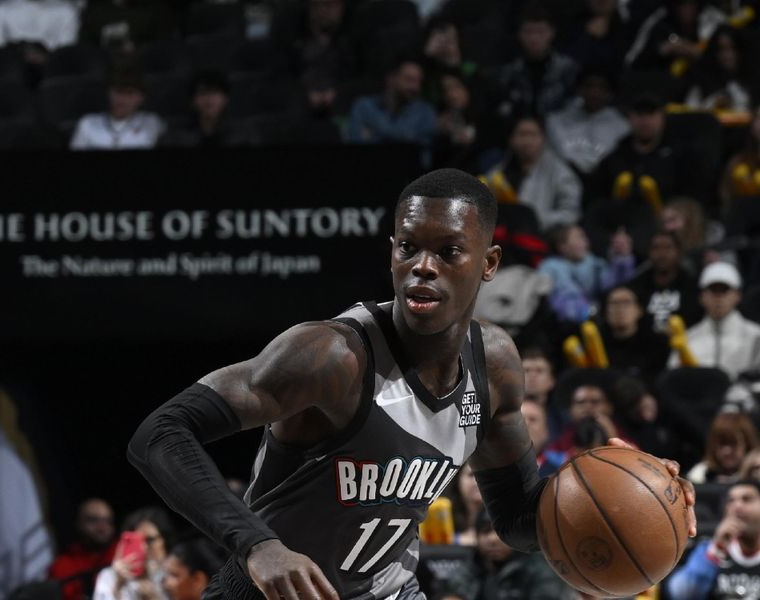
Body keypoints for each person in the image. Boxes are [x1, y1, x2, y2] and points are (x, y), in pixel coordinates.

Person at [127, 168, 696, 600]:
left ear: (489, 262)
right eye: (408, 248)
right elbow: (160, 432)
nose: (423, 266)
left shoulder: (493, 363)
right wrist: (258, 546)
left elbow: (521, 520)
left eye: (448, 251)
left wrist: (642, 502)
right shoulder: (330, 356)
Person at [441, 512, 574, 600]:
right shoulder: (475, 562)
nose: (492, 539)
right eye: (485, 531)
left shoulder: (540, 566)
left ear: (516, 535)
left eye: (499, 532)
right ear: (476, 537)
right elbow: (453, 593)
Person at [485, 114, 582, 230]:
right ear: (511, 139)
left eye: (533, 135)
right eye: (522, 134)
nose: (527, 141)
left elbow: (571, 213)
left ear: (543, 139)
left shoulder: (561, 172)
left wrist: (538, 220)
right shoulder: (500, 169)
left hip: (543, 236)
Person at [667, 480, 760, 600]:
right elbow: (680, 594)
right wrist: (717, 548)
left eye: (746, 499)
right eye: (731, 501)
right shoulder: (708, 549)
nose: (737, 506)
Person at [668, 261, 760, 379]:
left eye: (724, 290)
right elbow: (674, 377)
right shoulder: (688, 338)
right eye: (713, 290)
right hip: (699, 396)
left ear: (737, 296)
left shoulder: (756, 336)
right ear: (702, 297)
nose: (718, 297)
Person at [495, 4, 579, 119]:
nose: (534, 38)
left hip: (560, 128)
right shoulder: (511, 72)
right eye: (528, 31)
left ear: (551, 33)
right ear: (519, 34)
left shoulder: (567, 68)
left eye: (541, 32)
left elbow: (574, 104)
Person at [538, 224, 634, 323]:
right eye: (578, 237)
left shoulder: (595, 263)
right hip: (562, 323)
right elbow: (556, 299)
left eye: (584, 237)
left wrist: (622, 258)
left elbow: (614, 284)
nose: (585, 242)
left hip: (592, 316)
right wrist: (585, 311)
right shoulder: (550, 266)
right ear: (562, 246)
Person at [545, 68, 630, 176]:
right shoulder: (555, 122)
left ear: (610, 93)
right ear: (579, 89)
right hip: (562, 178)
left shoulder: (623, 126)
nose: (594, 92)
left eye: (601, 87)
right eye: (589, 86)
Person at [345, 56, 437, 148]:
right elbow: (356, 151)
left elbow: (424, 157)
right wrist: (408, 138)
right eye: (409, 80)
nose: (416, 88)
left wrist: (374, 135)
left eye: (419, 82)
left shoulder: (424, 113)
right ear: (391, 79)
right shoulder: (364, 107)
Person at [70, 66, 165, 151]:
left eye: (129, 93)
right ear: (109, 93)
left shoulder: (152, 123)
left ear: (141, 97)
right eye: (118, 92)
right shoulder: (88, 123)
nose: (122, 99)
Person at [92, 506, 175, 600]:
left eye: (150, 540)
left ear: (165, 541)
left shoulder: (175, 575)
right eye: (138, 541)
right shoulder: (110, 576)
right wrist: (118, 586)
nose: (144, 547)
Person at [628, 231, 703, 332]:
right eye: (656, 248)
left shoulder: (693, 287)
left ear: (678, 252)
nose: (662, 254)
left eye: (668, 248)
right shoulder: (635, 288)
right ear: (649, 252)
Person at [48, 498, 118, 600]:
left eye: (108, 521)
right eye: (93, 520)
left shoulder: (121, 555)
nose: (102, 527)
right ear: (79, 523)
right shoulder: (63, 565)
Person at [601, 285, 671, 383]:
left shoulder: (658, 345)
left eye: (626, 303)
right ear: (605, 311)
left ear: (639, 310)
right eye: (614, 303)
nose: (620, 309)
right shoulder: (597, 345)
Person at [682, 25, 752, 112]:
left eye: (732, 48)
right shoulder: (700, 86)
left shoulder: (752, 82)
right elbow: (691, 115)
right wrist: (714, 103)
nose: (727, 56)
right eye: (721, 49)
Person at [161, 71, 234, 149]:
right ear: (192, 100)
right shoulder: (175, 136)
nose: (209, 100)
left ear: (226, 98)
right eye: (202, 93)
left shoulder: (239, 135)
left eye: (214, 93)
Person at [686, 412, 759, 484]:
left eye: (733, 444)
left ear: (747, 444)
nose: (727, 451)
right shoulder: (699, 475)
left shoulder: (756, 473)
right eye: (721, 444)